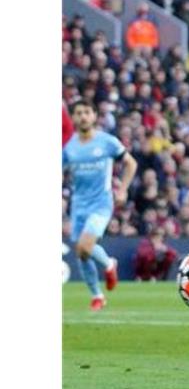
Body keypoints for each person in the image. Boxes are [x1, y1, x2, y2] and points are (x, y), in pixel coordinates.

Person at [63, 100, 138, 310]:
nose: (83, 117)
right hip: (78, 206)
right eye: (78, 113)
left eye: (87, 112)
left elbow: (131, 163)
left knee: (85, 246)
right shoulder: (69, 147)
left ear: (94, 116)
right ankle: (98, 294)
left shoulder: (107, 142)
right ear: (74, 118)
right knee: (82, 252)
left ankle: (107, 265)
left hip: (101, 203)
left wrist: (122, 189)